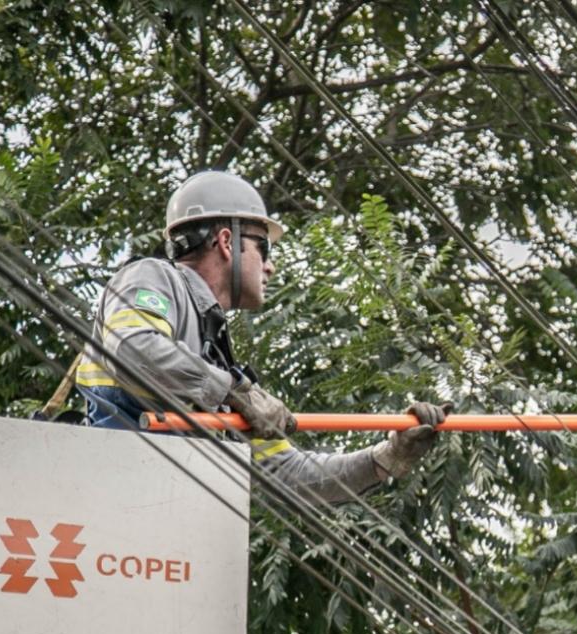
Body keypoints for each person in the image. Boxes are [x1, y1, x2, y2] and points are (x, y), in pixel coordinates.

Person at [75, 170, 443, 501]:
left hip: (163, 528)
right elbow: (133, 349)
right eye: (263, 248)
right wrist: (234, 391)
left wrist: (387, 457)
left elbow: (288, 472)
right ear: (226, 241)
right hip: (108, 500)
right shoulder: (153, 277)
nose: (270, 265)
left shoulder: (213, 356)